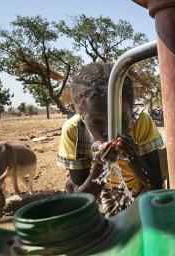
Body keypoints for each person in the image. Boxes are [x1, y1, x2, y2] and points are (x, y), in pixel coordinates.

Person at [57, 62, 165, 218]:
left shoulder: (140, 122)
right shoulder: (74, 130)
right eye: (96, 122)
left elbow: (155, 184)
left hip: (142, 188)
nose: (109, 131)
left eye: (121, 118)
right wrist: (99, 167)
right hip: (107, 190)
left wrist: (132, 157)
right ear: (81, 114)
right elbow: (81, 198)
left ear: (130, 108)